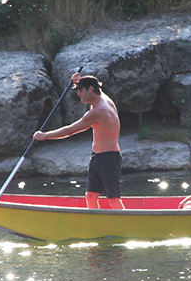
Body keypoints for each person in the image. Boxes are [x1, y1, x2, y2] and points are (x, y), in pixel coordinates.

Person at [33, 73, 125, 209]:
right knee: (91, 196)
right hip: (97, 158)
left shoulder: (97, 111)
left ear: (91, 89)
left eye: (81, 90)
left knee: (113, 199)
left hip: (109, 159)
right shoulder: (105, 99)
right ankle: (94, 226)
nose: (79, 94)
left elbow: (69, 131)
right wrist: (78, 81)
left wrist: (45, 135)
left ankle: (125, 228)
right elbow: (96, 84)